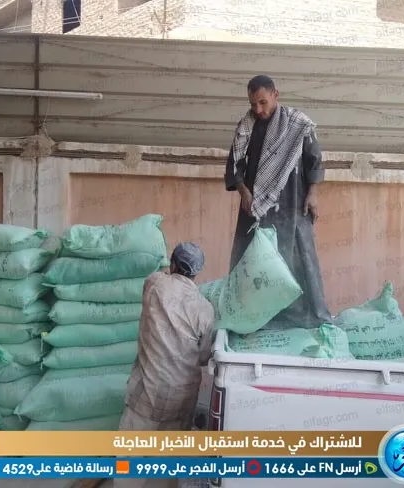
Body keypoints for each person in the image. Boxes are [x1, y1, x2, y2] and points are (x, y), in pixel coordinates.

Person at [224, 74, 332, 329]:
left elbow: (314, 161)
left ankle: (306, 319)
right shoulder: (246, 127)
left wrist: (313, 193)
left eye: (263, 102)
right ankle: (253, 320)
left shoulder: (298, 124)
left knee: (299, 256)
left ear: (276, 95)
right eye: (253, 104)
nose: (258, 109)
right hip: (256, 209)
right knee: (252, 260)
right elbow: (235, 165)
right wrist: (243, 191)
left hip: (294, 203)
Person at [116, 242, 215, 488]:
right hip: (181, 402)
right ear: (197, 273)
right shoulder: (205, 309)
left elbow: (159, 273)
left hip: (146, 395)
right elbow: (204, 357)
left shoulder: (154, 284)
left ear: (172, 264)